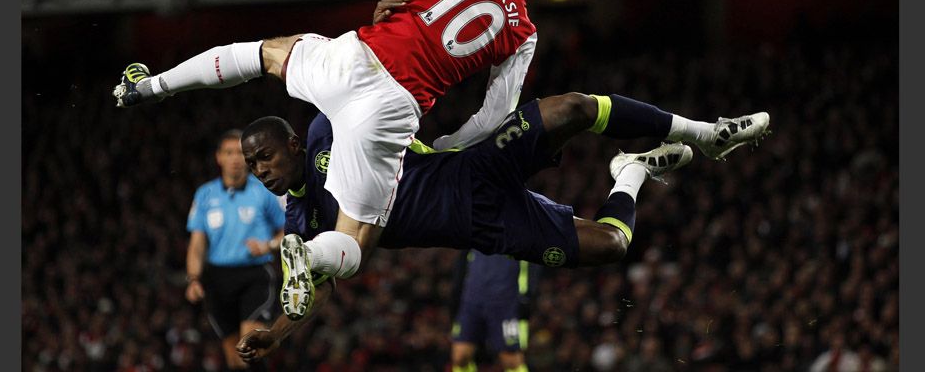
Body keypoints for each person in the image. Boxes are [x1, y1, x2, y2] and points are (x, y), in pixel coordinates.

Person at [113, 0, 564, 322]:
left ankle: (152, 86)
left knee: (265, 53)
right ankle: (307, 252)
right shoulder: (523, 33)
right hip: (391, 112)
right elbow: (493, 117)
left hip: (355, 59)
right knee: (356, 241)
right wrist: (444, 146)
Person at [233, 89, 770, 362]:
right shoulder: (304, 224)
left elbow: (368, 77)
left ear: (294, 144)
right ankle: (629, 171)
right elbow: (318, 289)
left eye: (265, 159)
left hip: (474, 164)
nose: (260, 172)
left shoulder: (330, 127)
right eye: (252, 166)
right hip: (489, 226)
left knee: (574, 108)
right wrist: (277, 335)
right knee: (611, 245)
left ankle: (705, 132)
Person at [185, 129, 286, 370]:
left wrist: (268, 245)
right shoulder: (205, 194)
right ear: (219, 157)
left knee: (248, 346)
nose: (235, 159)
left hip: (255, 276)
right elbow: (197, 243)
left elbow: (289, 231)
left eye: (240, 153)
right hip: (217, 280)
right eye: (229, 153)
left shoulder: (265, 191)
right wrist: (193, 278)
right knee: (234, 360)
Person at [451, 250, 535, 372]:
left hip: (505, 304)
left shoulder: (519, 235)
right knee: (460, 356)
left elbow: (532, 266)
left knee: (511, 360)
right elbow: (462, 263)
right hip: (471, 301)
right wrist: (456, 296)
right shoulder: (474, 234)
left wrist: (526, 296)